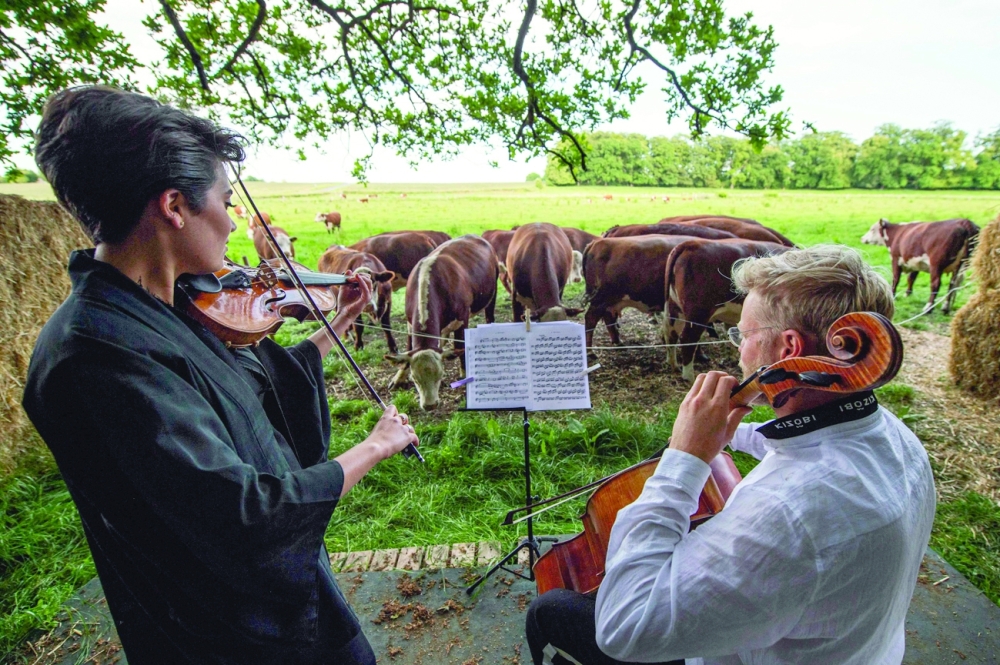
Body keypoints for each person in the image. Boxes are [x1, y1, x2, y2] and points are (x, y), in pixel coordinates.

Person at [22, 86, 419, 664]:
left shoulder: (157, 311)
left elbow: (250, 384)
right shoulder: (95, 356)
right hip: (227, 631)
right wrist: (375, 446)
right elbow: (244, 515)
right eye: (227, 202)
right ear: (174, 207)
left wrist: (337, 324)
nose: (235, 224)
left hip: (268, 599)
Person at [525, 245, 936, 665]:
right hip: (862, 649)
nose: (739, 351)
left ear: (789, 348)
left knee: (552, 607)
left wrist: (683, 459)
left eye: (744, 335)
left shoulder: (789, 516)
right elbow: (801, 444)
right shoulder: (895, 437)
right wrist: (730, 434)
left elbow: (625, 628)